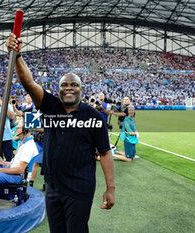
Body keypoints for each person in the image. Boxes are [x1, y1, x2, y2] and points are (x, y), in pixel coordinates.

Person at [6, 34, 115, 233]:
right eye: (64, 85)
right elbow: (28, 83)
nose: (68, 88)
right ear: (58, 90)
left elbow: (106, 153)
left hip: (80, 188)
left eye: (73, 85)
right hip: (53, 186)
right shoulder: (50, 105)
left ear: (81, 89)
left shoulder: (94, 117)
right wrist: (18, 55)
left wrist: (110, 188)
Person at [0, 126, 38, 212]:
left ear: (25, 131)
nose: (15, 130)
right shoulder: (24, 143)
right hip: (16, 173)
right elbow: (16, 164)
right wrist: (4, 163)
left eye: (18, 128)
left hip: (18, 177)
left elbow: (20, 170)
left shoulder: (28, 146)